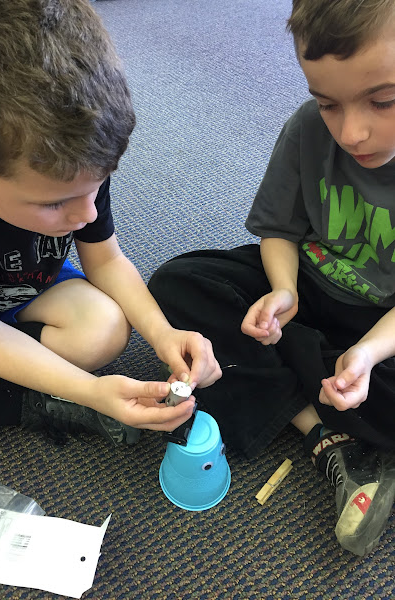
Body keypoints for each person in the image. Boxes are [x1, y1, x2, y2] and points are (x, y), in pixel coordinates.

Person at [148, 0, 395, 556]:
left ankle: (298, 392)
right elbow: (279, 229)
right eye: (327, 103)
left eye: (384, 101)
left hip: (382, 326)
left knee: (236, 351)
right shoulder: (307, 130)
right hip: (307, 283)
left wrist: (367, 354)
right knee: (175, 287)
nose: (352, 132)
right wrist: (283, 288)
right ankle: (325, 429)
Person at [0, 0, 221, 446]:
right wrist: (89, 391)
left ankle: (9, 380)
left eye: (96, 188)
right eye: (55, 204)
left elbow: (106, 260)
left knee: (105, 329)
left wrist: (162, 332)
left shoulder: (75, 168)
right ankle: (16, 395)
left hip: (10, 294)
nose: (87, 215)